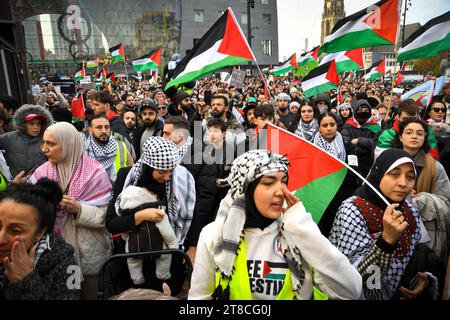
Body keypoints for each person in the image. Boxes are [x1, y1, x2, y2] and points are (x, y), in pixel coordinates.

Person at [188, 150, 362, 300]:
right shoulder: (214, 234)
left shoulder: (299, 232)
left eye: (284, 181)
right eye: (269, 183)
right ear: (245, 190)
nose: (281, 191)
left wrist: (304, 230)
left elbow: (350, 291)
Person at [329, 149, 439, 300]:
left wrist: (422, 282)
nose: (403, 183)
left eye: (410, 177)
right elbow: (353, 279)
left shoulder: (410, 211)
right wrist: (386, 241)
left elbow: (415, 257)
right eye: (394, 174)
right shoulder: (353, 210)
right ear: (379, 173)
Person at [29, 122, 113, 300]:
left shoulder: (95, 172)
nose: (45, 149)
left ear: (68, 144)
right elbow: (31, 217)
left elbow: (107, 216)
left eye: (51, 143)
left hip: (90, 253)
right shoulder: (40, 174)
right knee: (67, 293)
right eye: (44, 143)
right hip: (55, 255)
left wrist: (79, 209)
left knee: (92, 295)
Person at [105, 137, 195, 296]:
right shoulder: (127, 178)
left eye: (171, 171)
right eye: (161, 172)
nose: (167, 177)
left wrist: (190, 247)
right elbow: (111, 223)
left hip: (168, 262)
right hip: (134, 260)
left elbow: (191, 216)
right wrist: (140, 216)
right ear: (147, 167)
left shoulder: (180, 180)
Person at [0, 179, 79, 300]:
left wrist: (26, 280)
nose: (1, 239)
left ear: (40, 232)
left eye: (15, 230)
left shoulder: (66, 261)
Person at [391, 118, 450, 202]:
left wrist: (421, 199)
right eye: (409, 133)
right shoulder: (387, 160)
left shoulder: (434, 166)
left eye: (419, 134)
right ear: (400, 137)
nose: (414, 136)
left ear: (424, 138)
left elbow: (445, 199)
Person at [0, 104, 53, 177]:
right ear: (23, 124)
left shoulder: (46, 140)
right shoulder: (8, 138)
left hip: (40, 184)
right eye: (31, 123)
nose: (36, 127)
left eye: (39, 124)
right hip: (16, 185)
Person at [84, 115, 134, 184]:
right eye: (99, 127)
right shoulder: (84, 150)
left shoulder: (120, 145)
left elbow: (132, 173)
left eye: (107, 127)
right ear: (90, 130)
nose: (104, 131)